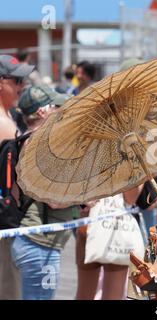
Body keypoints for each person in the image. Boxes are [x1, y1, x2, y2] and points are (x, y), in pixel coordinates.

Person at [9, 85, 75, 300]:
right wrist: (87, 196)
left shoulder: (24, 140)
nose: (61, 111)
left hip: (31, 240)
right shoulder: (41, 146)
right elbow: (55, 200)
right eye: (56, 106)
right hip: (39, 244)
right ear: (42, 112)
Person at [0, 54, 34, 300]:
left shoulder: (11, 118)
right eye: (18, 80)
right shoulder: (3, 124)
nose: (23, 85)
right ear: (1, 82)